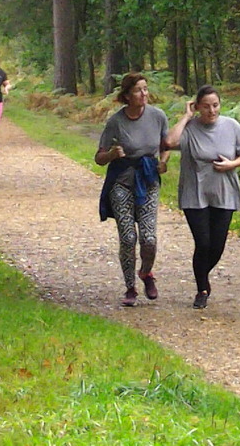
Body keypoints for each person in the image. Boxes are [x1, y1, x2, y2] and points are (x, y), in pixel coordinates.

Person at [167, 85, 240, 309]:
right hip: (195, 193)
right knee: (203, 242)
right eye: (206, 106)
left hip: (225, 192)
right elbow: (169, 142)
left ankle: (201, 273)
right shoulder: (190, 128)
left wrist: (231, 164)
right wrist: (186, 116)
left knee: (217, 246)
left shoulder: (232, 126)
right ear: (197, 107)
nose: (211, 110)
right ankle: (202, 288)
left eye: (215, 105)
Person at [96, 72, 171, 307]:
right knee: (128, 237)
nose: (144, 94)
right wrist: (111, 154)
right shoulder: (116, 122)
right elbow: (99, 157)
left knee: (149, 238)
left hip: (148, 180)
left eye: (146, 89)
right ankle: (130, 287)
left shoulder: (158, 116)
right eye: (139, 90)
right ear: (127, 95)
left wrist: (163, 161)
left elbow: (165, 145)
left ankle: (146, 273)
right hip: (121, 181)